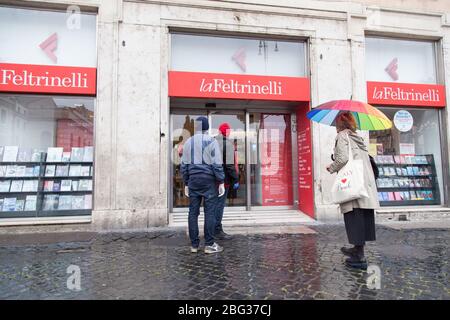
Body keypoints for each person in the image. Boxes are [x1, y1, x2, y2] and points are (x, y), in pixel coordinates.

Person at [326, 112, 379, 269]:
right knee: (361, 218)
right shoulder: (357, 137)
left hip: (353, 185)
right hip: (364, 185)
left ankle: (359, 258)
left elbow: (342, 159)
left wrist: (331, 167)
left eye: (336, 122)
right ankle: (357, 250)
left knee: (354, 217)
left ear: (340, 124)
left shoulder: (342, 136)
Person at [181, 116, 225, 254]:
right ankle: (209, 244)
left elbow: (184, 165)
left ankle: (194, 245)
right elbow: (216, 164)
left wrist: (186, 182)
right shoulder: (211, 141)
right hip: (208, 181)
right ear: (206, 127)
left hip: (193, 180)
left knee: (192, 213)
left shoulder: (188, 142)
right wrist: (221, 181)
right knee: (209, 212)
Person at [214, 122, 240, 240]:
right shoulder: (228, 144)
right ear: (226, 132)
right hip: (223, 181)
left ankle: (210, 228)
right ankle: (217, 230)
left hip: (212, 180)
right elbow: (229, 165)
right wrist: (235, 179)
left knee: (213, 206)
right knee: (220, 205)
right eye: (229, 131)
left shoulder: (212, 142)